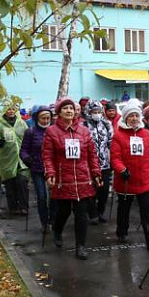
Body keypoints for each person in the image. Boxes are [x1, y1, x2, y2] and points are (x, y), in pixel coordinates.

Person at [42, 97, 102, 260]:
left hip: (83, 177)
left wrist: (96, 172)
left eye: (71, 108)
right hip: (63, 177)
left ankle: (81, 246)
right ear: (59, 112)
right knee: (64, 210)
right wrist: (50, 173)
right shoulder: (52, 131)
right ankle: (57, 230)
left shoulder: (84, 131)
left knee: (81, 213)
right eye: (65, 108)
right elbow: (48, 156)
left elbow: (92, 155)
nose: (69, 111)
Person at [110, 100, 149, 250]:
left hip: (145, 180)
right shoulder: (118, 136)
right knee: (124, 209)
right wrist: (121, 169)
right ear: (125, 118)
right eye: (131, 116)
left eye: (136, 115)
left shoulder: (147, 135)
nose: (134, 118)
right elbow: (115, 157)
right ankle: (122, 231)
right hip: (127, 180)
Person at [0, 102, 29, 216]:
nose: (11, 111)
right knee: (10, 184)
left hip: (21, 159)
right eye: (8, 109)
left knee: (22, 182)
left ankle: (24, 206)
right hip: (7, 158)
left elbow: (28, 136)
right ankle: (13, 207)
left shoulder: (21, 123)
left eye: (13, 109)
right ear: (5, 111)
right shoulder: (0, 125)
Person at [21, 105, 53, 228]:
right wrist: (27, 159)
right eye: (43, 118)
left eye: (47, 118)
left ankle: (52, 219)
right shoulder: (30, 132)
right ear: (37, 118)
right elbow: (23, 150)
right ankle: (44, 222)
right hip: (37, 168)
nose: (45, 121)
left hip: (53, 169)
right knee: (41, 196)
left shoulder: (53, 130)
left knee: (54, 197)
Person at [84, 100, 113, 224]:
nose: (96, 114)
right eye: (94, 112)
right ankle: (93, 213)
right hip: (88, 165)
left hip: (105, 164)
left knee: (104, 190)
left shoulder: (107, 124)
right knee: (91, 190)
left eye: (99, 112)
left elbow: (111, 143)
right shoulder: (83, 126)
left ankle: (101, 211)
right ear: (88, 112)